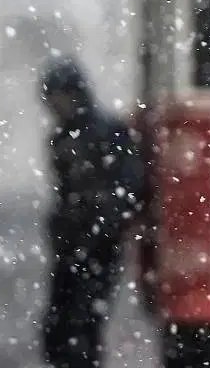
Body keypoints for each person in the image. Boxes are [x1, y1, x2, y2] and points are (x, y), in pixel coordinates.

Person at [38, 56, 145, 368]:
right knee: (60, 328)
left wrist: (99, 221)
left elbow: (130, 187)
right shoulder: (62, 138)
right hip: (74, 244)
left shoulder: (106, 132)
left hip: (97, 246)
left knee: (81, 326)